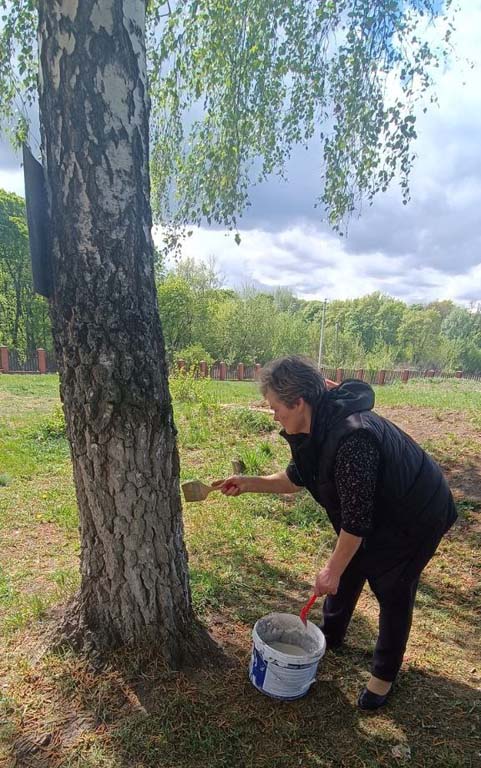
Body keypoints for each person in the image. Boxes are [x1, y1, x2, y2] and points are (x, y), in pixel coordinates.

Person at [213, 355, 457, 710]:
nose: (274, 416)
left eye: (276, 408)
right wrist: (247, 483)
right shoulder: (315, 427)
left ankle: (383, 676)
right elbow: (296, 478)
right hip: (377, 509)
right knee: (349, 563)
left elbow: (355, 523)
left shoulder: (353, 438)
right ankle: (331, 634)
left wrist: (331, 570)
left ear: (299, 402)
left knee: (393, 587)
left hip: (416, 512)